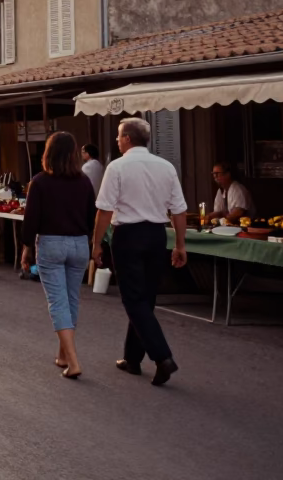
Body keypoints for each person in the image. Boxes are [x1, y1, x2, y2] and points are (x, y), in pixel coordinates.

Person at [92, 117, 187, 386]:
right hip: (157, 235)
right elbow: (178, 209)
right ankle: (132, 359)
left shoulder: (118, 166)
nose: (117, 141)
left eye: (119, 136)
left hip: (129, 235)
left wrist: (96, 242)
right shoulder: (166, 166)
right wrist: (180, 244)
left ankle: (162, 357)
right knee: (146, 299)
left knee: (134, 300)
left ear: (128, 139)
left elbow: (105, 209)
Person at [20, 132, 97, 380]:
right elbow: (90, 216)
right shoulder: (84, 181)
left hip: (51, 243)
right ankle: (63, 354)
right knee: (72, 299)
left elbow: (31, 220)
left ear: (48, 153)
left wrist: (26, 249)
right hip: (79, 244)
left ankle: (73, 361)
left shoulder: (40, 182)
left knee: (57, 302)